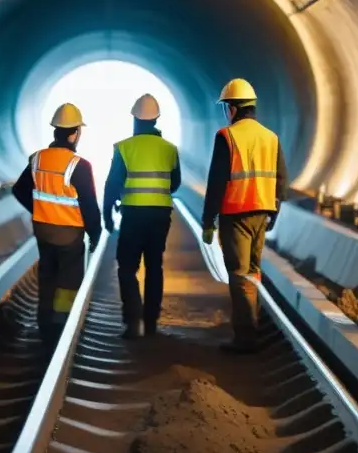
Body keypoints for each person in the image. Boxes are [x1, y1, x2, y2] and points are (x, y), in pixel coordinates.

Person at [201, 78, 287, 353]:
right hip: (262, 212)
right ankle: (253, 329)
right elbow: (281, 178)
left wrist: (207, 220)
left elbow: (217, 181)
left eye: (226, 107)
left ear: (233, 108)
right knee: (253, 272)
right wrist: (275, 208)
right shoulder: (270, 137)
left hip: (236, 212)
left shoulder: (227, 136)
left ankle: (246, 338)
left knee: (239, 276)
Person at [11, 102, 102, 344]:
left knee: (48, 277)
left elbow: (19, 190)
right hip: (70, 234)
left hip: (43, 230)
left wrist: (39, 210)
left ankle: (45, 327)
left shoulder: (37, 159)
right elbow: (89, 205)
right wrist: (95, 233)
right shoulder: (79, 165)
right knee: (68, 282)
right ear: (74, 134)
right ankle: (61, 329)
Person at [103, 94, 181, 339]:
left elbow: (112, 184)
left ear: (134, 119)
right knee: (154, 266)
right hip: (160, 215)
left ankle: (132, 319)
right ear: (157, 119)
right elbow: (175, 184)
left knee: (127, 267)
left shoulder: (124, 147)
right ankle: (151, 323)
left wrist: (107, 214)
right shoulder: (170, 149)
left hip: (133, 215)